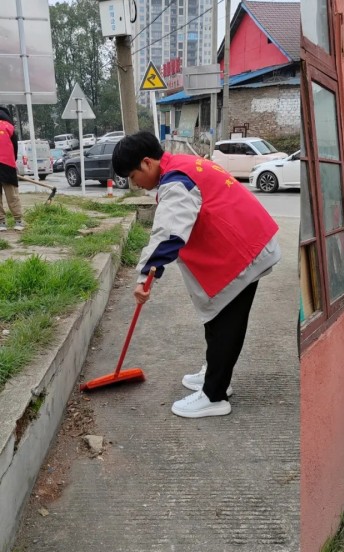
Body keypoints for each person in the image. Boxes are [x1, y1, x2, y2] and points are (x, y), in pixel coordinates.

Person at [112, 132, 281, 419]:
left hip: (241, 253)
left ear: (147, 162)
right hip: (242, 245)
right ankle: (214, 373)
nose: (135, 185)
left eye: (132, 176)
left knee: (226, 323)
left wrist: (145, 277)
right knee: (217, 318)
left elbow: (169, 234)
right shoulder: (181, 164)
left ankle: (215, 394)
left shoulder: (176, 180)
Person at [0, 106, 24, 231]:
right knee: (12, 195)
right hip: (7, 165)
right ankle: (18, 221)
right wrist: (11, 161)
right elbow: (15, 147)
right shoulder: (9, 127)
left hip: (5, 164)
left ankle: (1, 223)